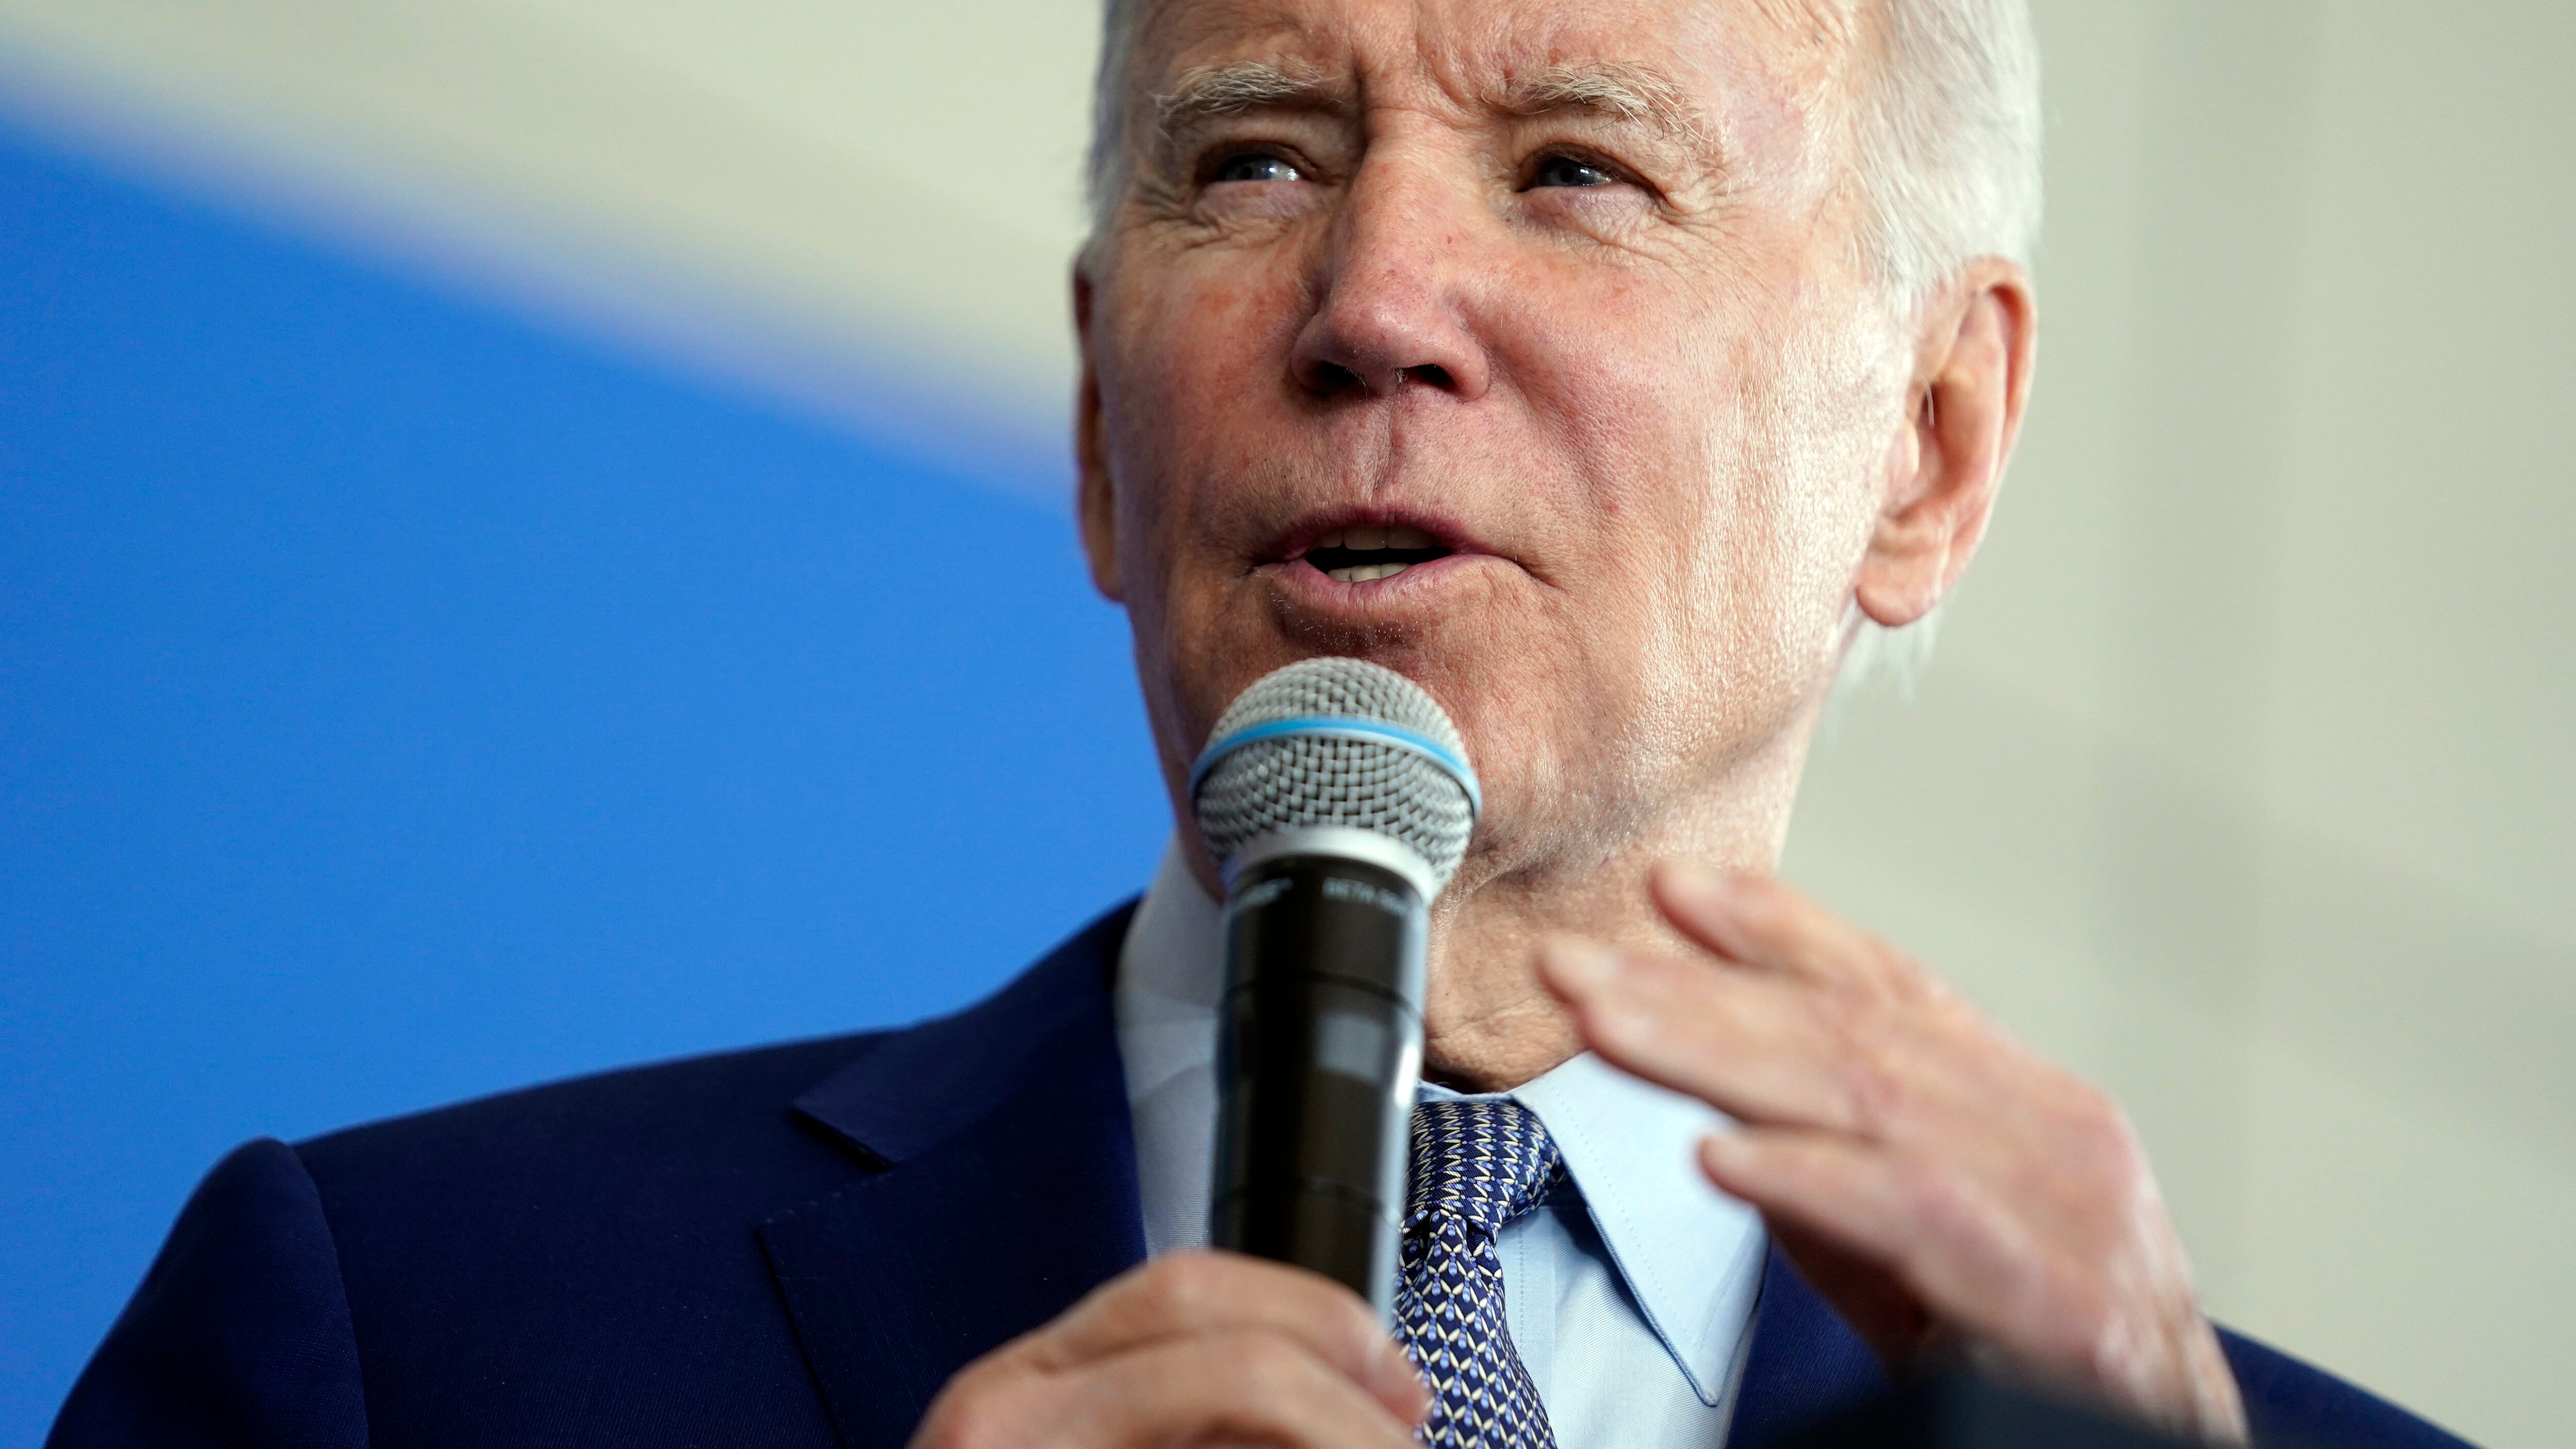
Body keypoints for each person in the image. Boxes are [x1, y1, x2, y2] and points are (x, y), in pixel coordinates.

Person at [50, 0, 2471, 1446]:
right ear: (1100, 429)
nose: (1374, 295)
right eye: (1255, 157)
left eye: (1574, 168)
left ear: (1925, 447)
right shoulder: (399, 1338)